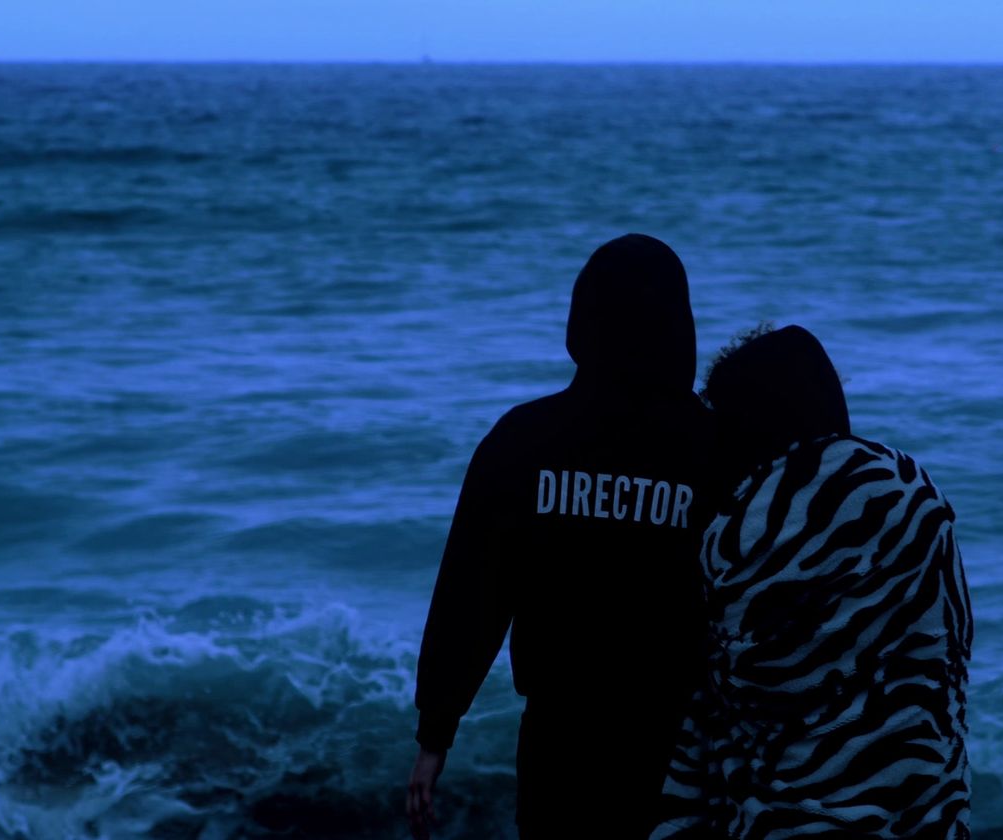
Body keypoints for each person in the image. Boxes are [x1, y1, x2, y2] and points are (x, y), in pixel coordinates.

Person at [406, 234, 717, 839]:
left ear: (582, 320)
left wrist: (435, 734)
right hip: (684, 745)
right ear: (679, 325)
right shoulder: (717, 448)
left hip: (558, 739)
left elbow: (473, 594)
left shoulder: (523, 439)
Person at [651, 325, 974, 840]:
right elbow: (950, 651)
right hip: (926, 817)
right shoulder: (914, 496)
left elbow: (717, 692)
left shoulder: (739, 533)